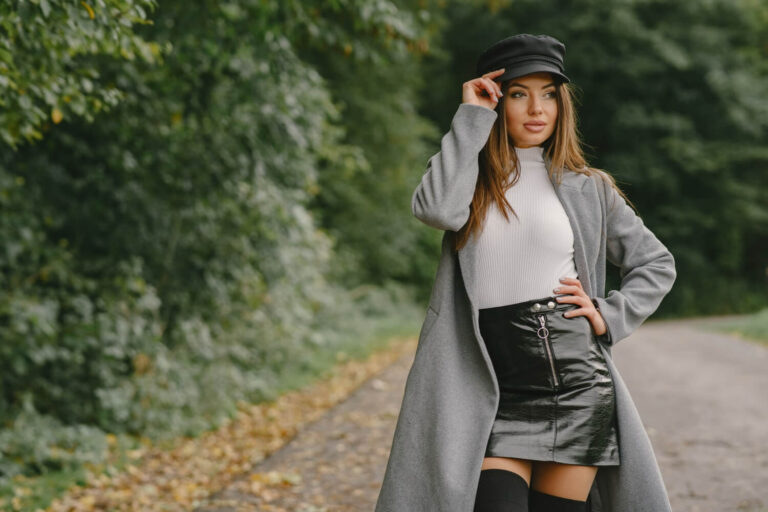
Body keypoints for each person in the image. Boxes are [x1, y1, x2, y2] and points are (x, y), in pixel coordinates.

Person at [374, 34, 677, 512]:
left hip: (577, 383)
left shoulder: (589, 188)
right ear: (497, 99)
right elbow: (433, 209)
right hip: (487, 384)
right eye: (519, 94)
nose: (537, 108)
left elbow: (656, 263)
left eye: (549, 94)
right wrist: (472, 117)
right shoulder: (468, 180)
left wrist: (607, 313)